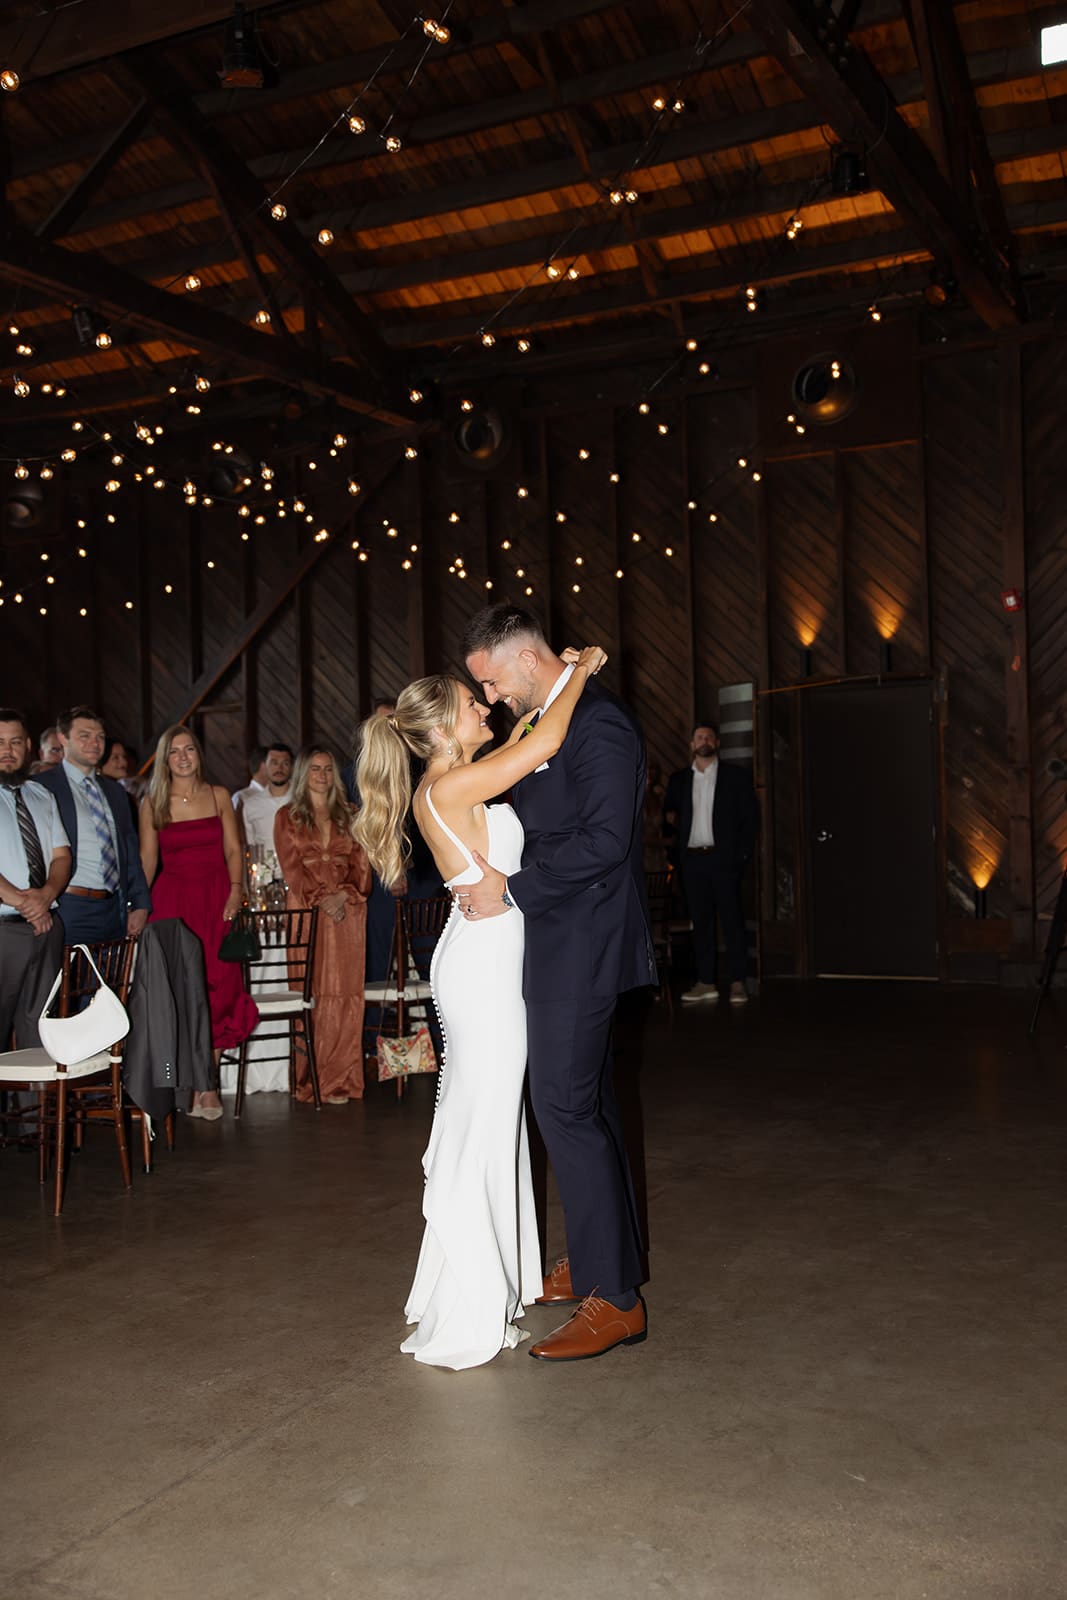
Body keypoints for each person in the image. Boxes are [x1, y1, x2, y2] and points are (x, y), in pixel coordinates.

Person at [355, 644, 606, 1370]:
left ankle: (484, 1285)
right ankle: (470, 1298)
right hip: (484, 967)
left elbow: (528, 737)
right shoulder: (450, 786)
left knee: (490, 1120)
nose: (485, 705)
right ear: (442, 729)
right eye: (472, 703)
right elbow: (545, 741)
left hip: (487, 957)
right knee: (485, 1122)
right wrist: (579, 672)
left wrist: (551, 692)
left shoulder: (453, 779)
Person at [462, 605, 656, 1363]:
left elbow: (606, 842)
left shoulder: (599, 724)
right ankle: (600, 1255)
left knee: (563, 1108)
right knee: (589, 1107)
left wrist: (511, 890)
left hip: (585, 941)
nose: (490, 696)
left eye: (491, 680)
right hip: (556, 940)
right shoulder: (547, 718)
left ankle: (617, 1300)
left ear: (525, 658)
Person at [139, 724, 258, 1119]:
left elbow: (234, 849)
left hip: (217, 899)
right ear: (164, 759)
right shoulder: (152, 802)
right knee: (180, 992)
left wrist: (236, 890)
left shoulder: (219, 795)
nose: (183, 757)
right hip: (172, 904)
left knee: (219, 989)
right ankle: (189, 1084)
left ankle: (209, 1084)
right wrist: (137, 908)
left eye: (189, 749)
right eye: (174, 751)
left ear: (198, 754)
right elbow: (148, 861)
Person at [274, 747, 371, 1104]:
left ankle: (342, 1079)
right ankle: (310, 1079)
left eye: (328, 769)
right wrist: (321, 900)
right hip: (307, 911)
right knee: (310, 993)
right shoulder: (287, 817)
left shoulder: (352, 814)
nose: (322, 775)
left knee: (347, 994)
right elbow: (291, 868)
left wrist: (343, 896)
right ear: (303, 774)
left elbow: (363, 866)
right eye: (315, 769)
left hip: (348, 911)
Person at [35, 707, 151, 945]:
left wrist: (141, 903)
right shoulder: (41, 788)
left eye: (100, 737)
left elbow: (130, 852)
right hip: (68, 906)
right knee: (68, 970)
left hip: (115, 907)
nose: (95, 743)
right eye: (84, 736)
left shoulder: (115, 791)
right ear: (63, 738)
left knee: (112, 971)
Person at [663, 722, 759, 1006]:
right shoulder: (679, 780)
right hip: (693, 862)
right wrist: (676, 858)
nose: (703, 741)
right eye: (699, 737)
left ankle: (738, 982)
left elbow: (750, 819)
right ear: (692, 745)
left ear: (716, 743)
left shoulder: (735, 777)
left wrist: (741, 856)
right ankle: (706, 982)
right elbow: (668, 820)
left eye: (708, 737)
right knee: (701, 924)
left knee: (732, 921)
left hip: (724, 860)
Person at [0, 708, 70, 1053]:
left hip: (47, 929)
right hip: (4, 930)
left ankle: (36, 1093)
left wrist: (46, 896)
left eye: (15, 742)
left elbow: (62, 856)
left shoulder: (42, 795)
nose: (7, 750)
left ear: (28, 746)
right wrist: (27, 904)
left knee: (40, 1035)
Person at [236, 742, 293, 852]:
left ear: (291, 768)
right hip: (263, 863)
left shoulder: (303, 800)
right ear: (264, 766)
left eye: (285, 763)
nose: (279, 768)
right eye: (274, 763)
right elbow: (251, 849)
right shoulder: (250, 805)